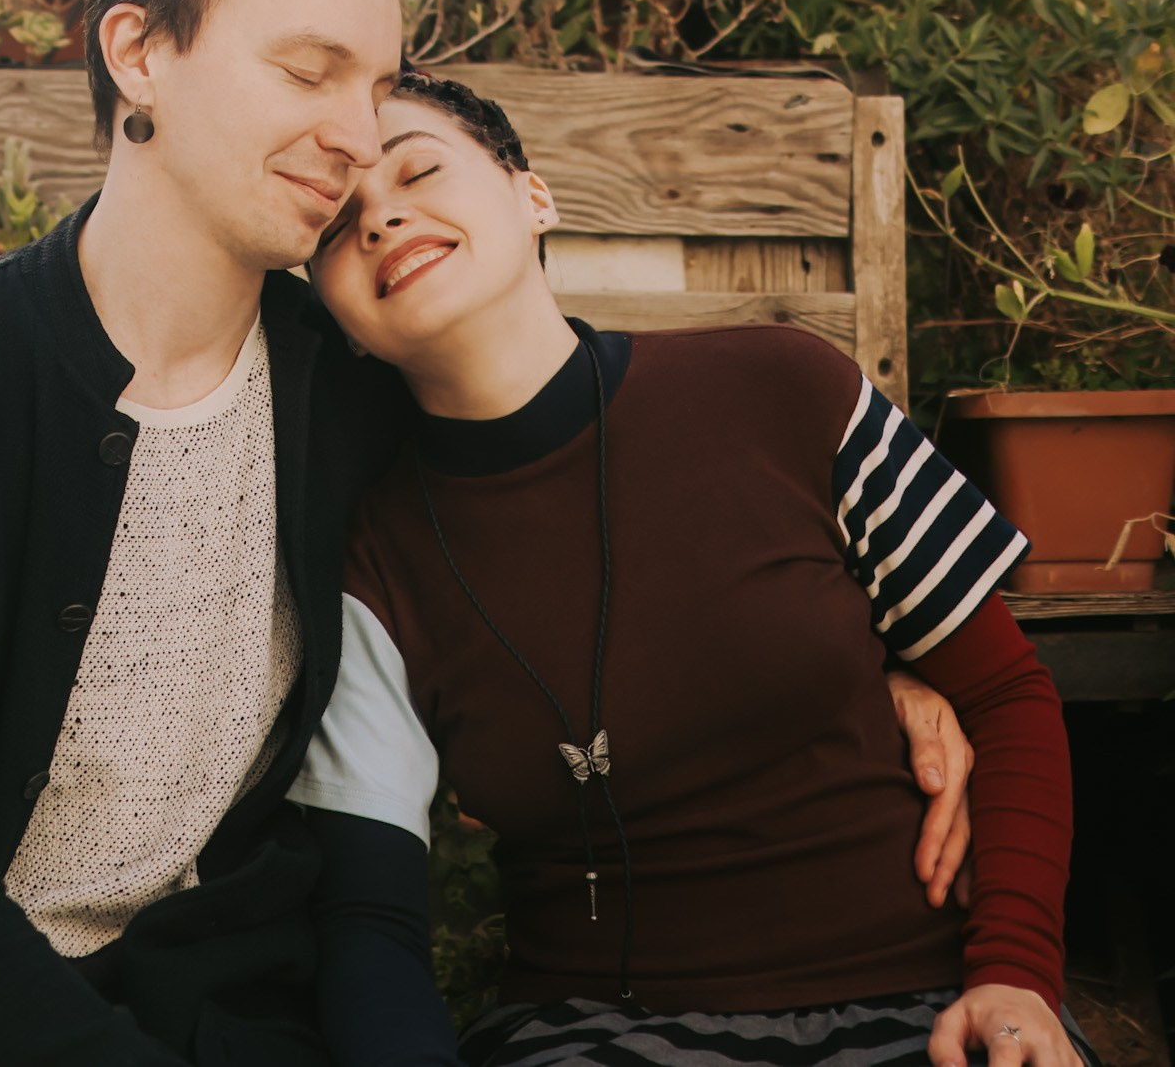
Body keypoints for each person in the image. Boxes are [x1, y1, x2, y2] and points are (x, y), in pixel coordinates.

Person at [0, 0, 979, 1067]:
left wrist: (870, 672)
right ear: (139, 52)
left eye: (376, 89)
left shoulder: (349, 394)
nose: (356, 138)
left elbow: (565, 516)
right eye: (308, 72)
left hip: (237, 1009)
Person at [289, 72, 1086, 1067]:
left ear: (531, 196)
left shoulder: (781, 388)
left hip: (919, 1002)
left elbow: (1005, 691)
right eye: (335, 224)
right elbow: (367, 910)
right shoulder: (367, 556)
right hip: (596, 1031)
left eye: (416, 170)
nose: (383, 216)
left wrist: (1010, 976)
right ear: (329, 307)